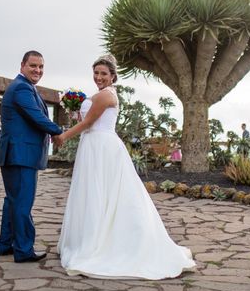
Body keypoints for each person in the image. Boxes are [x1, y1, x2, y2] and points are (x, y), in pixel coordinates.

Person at [53, 55, 195, 279]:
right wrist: (72, 110)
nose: (99, 77)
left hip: (102, 147)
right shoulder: (100, 95)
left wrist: (63, 137)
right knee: (94, 192)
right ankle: (88, 237)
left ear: (112, 77)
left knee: (107, 193)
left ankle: (102, 244)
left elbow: (89, 123)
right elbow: (85, 119)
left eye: (103, 74)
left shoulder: (106, 95)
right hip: (92, 145)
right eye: (96, 72)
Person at [0, 51, 63, 263]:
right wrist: (58, 131)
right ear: (22, 65)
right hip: (21, 155)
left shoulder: (23, 87)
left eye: (41, 67)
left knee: (13, 201)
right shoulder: (22, 88)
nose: (38, 70)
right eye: (33, 66)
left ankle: (5, 244)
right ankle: (24, 249)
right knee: (22, 203)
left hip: (16, 154)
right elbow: (36, 116)